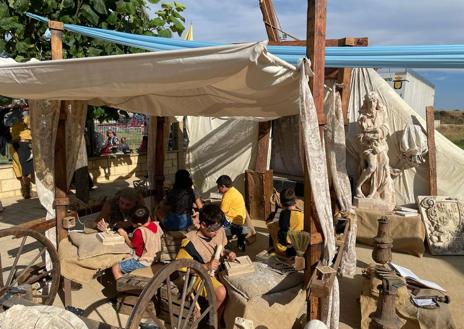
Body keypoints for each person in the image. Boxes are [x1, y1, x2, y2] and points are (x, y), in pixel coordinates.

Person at [176, 204, 236, 312]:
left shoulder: (218, 231)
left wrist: (228, 253)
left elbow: (222, 250)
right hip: (198, 275)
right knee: (221, 292)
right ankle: (212, 320)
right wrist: (207, 266)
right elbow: (182, 270)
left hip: (218, 270)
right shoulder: (190, 242)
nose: (217, 233)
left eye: (218, 228)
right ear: (203, 224)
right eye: (213, 230)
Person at [112, 207, 160, 280]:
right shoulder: (155, 224)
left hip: (143, 260)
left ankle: (122, 286)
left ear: (139, 224)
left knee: (115, 268)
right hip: (154, 256)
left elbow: (132, 245)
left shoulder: (139, 232)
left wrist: (125, 235)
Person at [6, 106, 33, 199]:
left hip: (15, 143)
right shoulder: (26, 115)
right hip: (23, 143)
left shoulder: (10, 115)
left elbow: (7, 124)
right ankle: (26, 189)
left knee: (20, 167)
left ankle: (25, 189)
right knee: (25, 168)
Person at [216, 175, 247, 252]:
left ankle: (225, 246)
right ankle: (240, 244)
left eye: (218, 187)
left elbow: (221, 213)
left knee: (214, 225)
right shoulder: (234, 191)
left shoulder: (227, 196)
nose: (218, 190)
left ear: (223, 186)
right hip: (241, 220)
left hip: (233, 222)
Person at [276, 188, 304, 257]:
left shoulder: (283, 213)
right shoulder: (302, 214)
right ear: (295, 200)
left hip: (286, 248)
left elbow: (282, 230)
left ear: (282, 203)